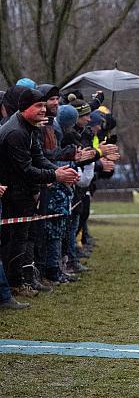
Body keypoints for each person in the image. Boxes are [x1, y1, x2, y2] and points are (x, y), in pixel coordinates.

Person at [0, 88, 80, 296]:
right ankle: (14, 284)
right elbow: (26, 170)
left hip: (23, 192)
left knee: (24, 237)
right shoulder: (16, 132)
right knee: (15, 239)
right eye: (39, 105)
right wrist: (56, 177)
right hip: (11, 194)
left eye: (44, 105)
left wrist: (58, 170)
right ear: (24, 108)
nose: (43, 110)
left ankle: (19, 282)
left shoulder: (31, 127)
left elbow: (39, 157)